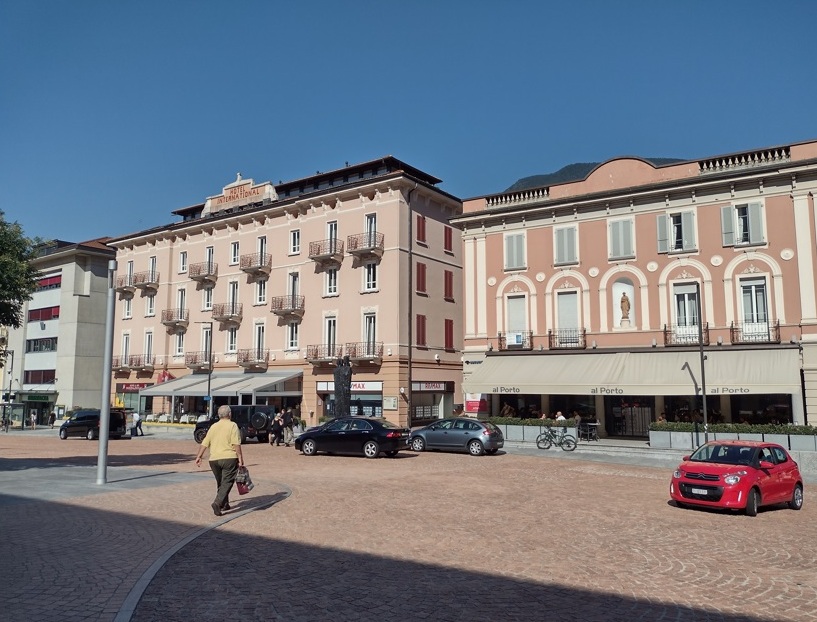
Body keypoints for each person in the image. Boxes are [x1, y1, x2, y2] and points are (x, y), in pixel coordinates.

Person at [194, 405, 244, 517]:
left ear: (219, 415)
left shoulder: (214, 427)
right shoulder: (232, 425)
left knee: (221, 482)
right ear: (230, 414)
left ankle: (224, 504)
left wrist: (199, 456)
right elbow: (236, 443)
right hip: (229, 457)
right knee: (227, 482)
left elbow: (205, 442)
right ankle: (217, 503)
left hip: (214, 459)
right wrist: (240, 458)